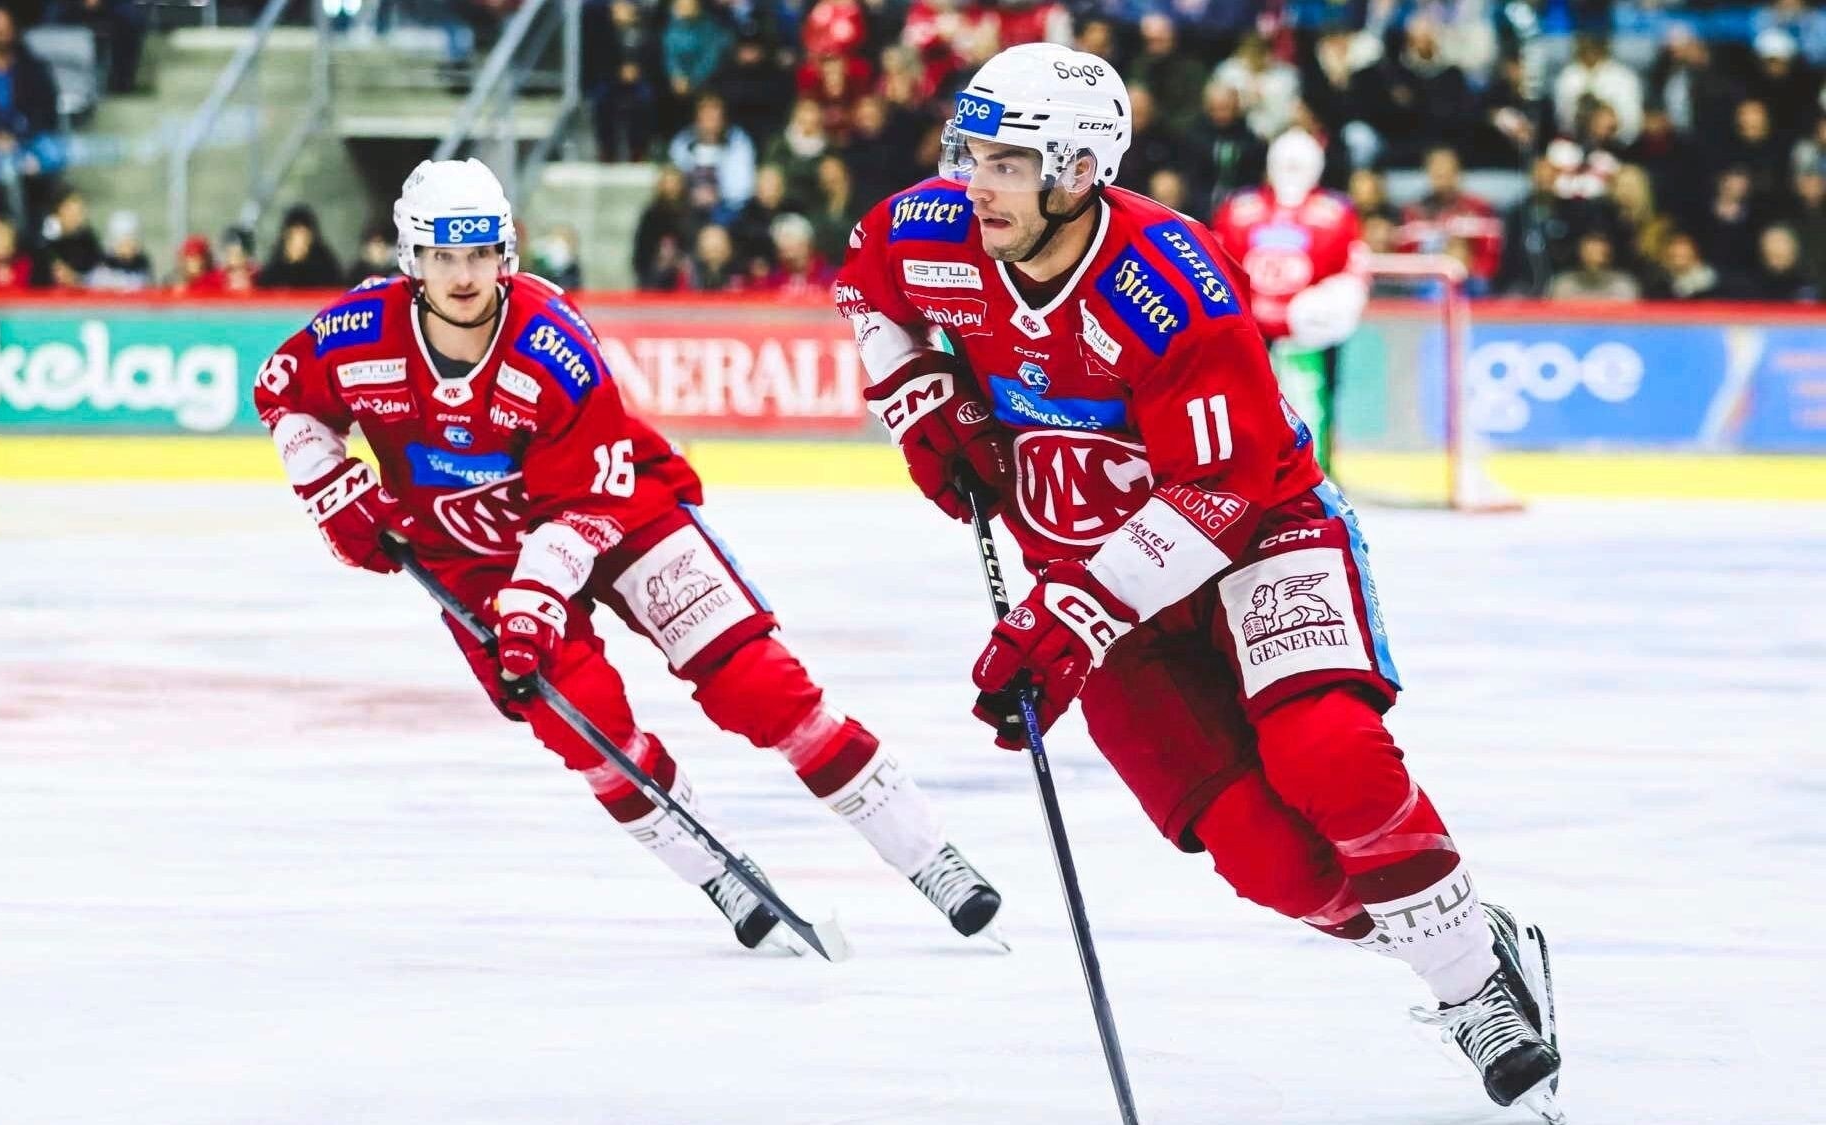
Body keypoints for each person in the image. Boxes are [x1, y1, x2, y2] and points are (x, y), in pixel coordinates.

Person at [833, 43, 1564, 1122]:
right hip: (1089, 580)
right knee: (1270, 863)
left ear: (1076, 170)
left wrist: (1065, 618)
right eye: (966, 150)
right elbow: (861, 285)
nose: (970, 179)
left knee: (1331, 757)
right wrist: (917, 394)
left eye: (1003, 159)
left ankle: (1471, 990)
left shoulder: (1169, 282)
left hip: (1258, 536)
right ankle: (1458, 935)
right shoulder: (927, 230)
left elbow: (1218, 490)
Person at [253, 158, 1005, 952]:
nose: (464, 274)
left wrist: (535, 603)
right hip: (470, 556)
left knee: (759, 684)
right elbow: (282, 390)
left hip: (616, 507)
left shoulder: (551, 345)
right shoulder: (356, 335)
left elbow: (581, 501)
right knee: (588, 728)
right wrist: (330, 486)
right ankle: (717, 870)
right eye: (443, 257)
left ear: (505, 252)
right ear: (412, 260)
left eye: (478, 254)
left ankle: (931, 856)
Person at [1211, 129, 1368, 477]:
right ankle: (1245, 474)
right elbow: (1214, 269)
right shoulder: (1237, 209)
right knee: (1244, 405)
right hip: (1247, 330)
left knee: (1315, 400)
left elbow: (1352, 272)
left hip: (1308, 331)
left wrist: (1329, 307)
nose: (1292, 169)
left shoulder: (1337, 213)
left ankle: (1316, 475)